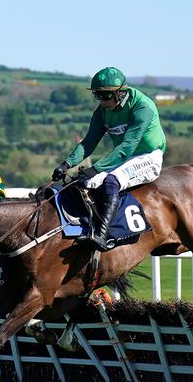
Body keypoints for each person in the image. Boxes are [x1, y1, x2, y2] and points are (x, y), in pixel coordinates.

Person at [51, 66, 166, 251]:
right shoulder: (101, 112)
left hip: (148, 155)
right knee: (84, 183)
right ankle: (87, 228)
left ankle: (103, 236)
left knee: (111, 181)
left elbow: (127, 146)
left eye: (106, 95)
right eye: (98, 95)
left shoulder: (142, 107)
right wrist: (67, 164)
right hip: (123, 157)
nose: (102, 100)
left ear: (120, 93)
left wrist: (96, 168)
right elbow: (88, 142)